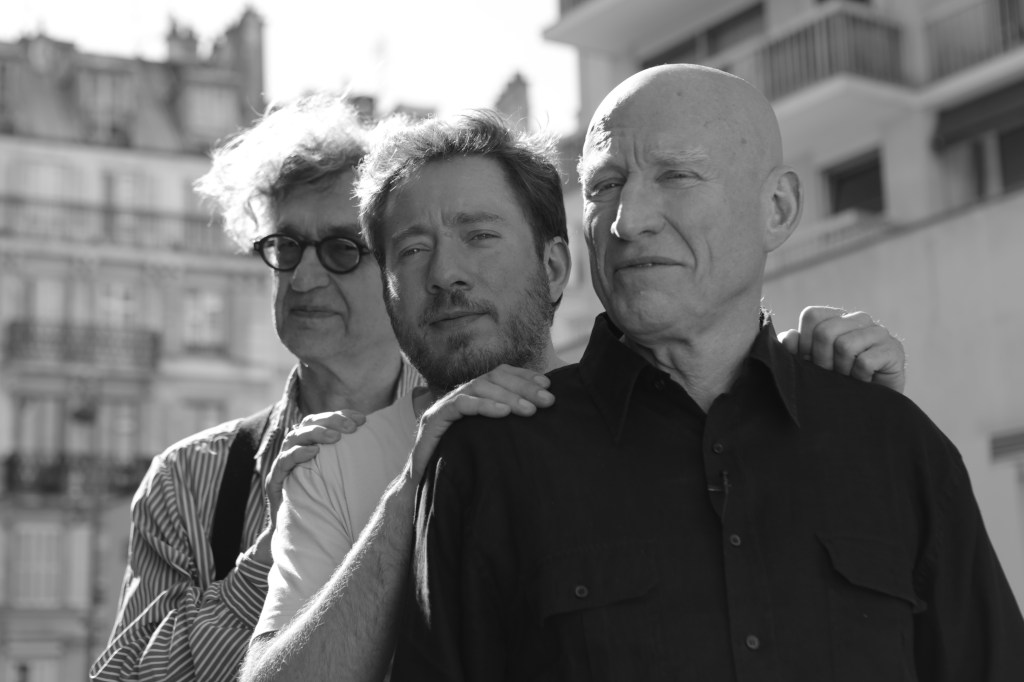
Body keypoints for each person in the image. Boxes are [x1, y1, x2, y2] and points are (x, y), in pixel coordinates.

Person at [390, 67, 1024, 681]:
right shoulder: (490, 459)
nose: (627, 219)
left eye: (676, 175)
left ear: (777, 208)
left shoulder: (894, 447)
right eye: (606, 184)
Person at [242, 110, 910, 682]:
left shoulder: (669, 417)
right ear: (388, 290)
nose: (447, 274)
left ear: (557, 267)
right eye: (413, 251)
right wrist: (410, 493)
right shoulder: (331, 469)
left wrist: (828, 406)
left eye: (479, 236)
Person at [90, 94, 424, 682]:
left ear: (399, 265)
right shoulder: (189, 480)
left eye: (342, 249)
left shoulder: (469, 442)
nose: (304, 276)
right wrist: (269, 560)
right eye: (286, 246)